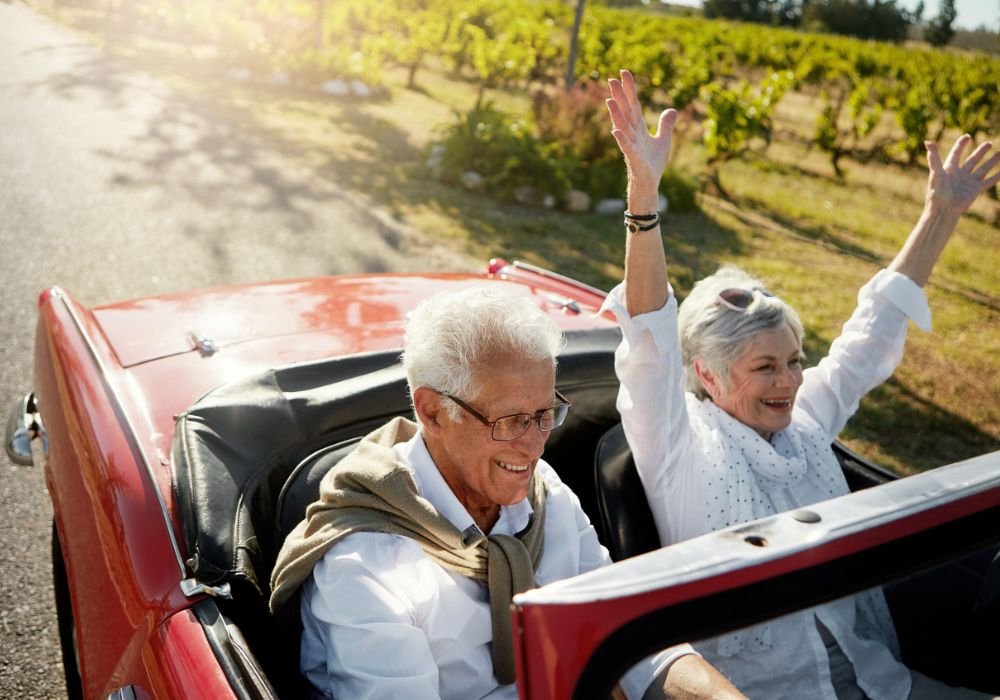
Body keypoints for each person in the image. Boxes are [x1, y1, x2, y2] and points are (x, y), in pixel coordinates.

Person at [602, 68, 1000, 700]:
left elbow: (871, 333)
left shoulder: (803, 419)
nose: (789, 381)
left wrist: (941, 213)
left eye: (793, 360)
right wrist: (643, 195)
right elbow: (649, 337)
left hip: (879, 679)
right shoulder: (676, 446)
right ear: (704, 373)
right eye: (764, 367)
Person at [269, 286, 744, 699]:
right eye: (512, 420)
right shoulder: (365, 567)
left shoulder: (546, 495)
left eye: (544, 414)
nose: (536, 445)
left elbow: (628, 633)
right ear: (433, 412)